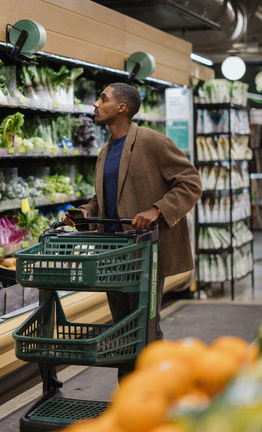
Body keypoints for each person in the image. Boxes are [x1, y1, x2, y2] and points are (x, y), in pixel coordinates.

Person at [62, 82, 202, 379]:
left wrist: (157, 209)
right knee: (122, 327)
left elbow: (191, 181)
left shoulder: (152, 142)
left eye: (103, 98)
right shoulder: (104, 153)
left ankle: (157, 392)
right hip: (113, 252)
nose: (95, 104)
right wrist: (85, 212)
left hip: (145, 252)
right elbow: (104, 201)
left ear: (122, 108)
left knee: (146, 327)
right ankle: (130, 394)